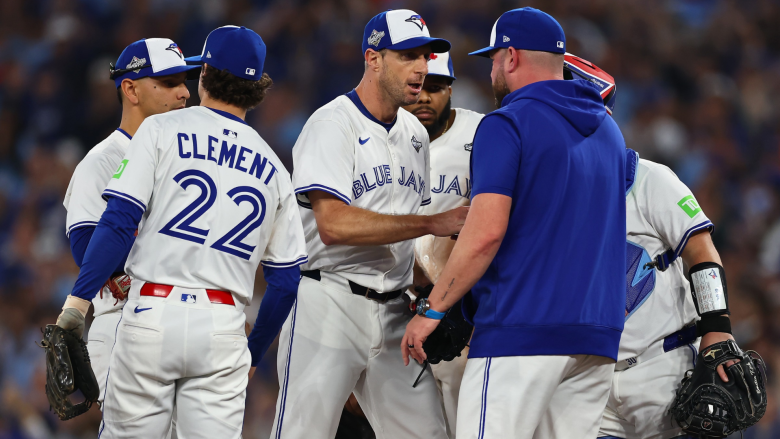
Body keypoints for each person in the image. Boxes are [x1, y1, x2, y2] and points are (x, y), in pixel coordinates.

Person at [53, 25, 307, 438]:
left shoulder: (159, 130)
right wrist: (253, 352)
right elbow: (286, 281)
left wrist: (76, 305)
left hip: (153, 311)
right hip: (224, 324)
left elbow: (118, 222)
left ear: (203, 73)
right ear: (257, 87)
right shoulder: (275, 168)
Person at [402, 7, 627, 439]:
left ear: (511, 56)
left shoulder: (507, 123)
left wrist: (435, 309)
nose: (492, 73)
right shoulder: (610, 132)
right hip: (596, 339)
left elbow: (485, 233)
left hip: (521, 332)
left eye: (492, 61)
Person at [271, 9, 466, 439]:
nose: (421, 68)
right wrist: (433, 223)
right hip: (329, 301)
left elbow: (397, 241)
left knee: (427, 434)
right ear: (373, 59)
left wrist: (433, 293)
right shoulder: (331, 124)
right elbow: (334, 224)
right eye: (408, 56)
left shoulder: (415, 133)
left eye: (425, 57)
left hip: (396, 308)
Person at [63, 37, 199, 412]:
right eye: (169, 83)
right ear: (131, 89)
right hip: (125, 322)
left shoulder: (189, 160)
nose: (184, 93)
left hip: (187, 327)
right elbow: (86, 247)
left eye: (184, 82)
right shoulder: (103, 161)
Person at [402, 51, 483, 438]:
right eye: (418, 87)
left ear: (450, 89)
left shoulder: (482, 134)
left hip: (462, 303)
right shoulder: (386, 136)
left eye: (435, 88)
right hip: (398, 301)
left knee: (467, 417)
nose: (424, 97)